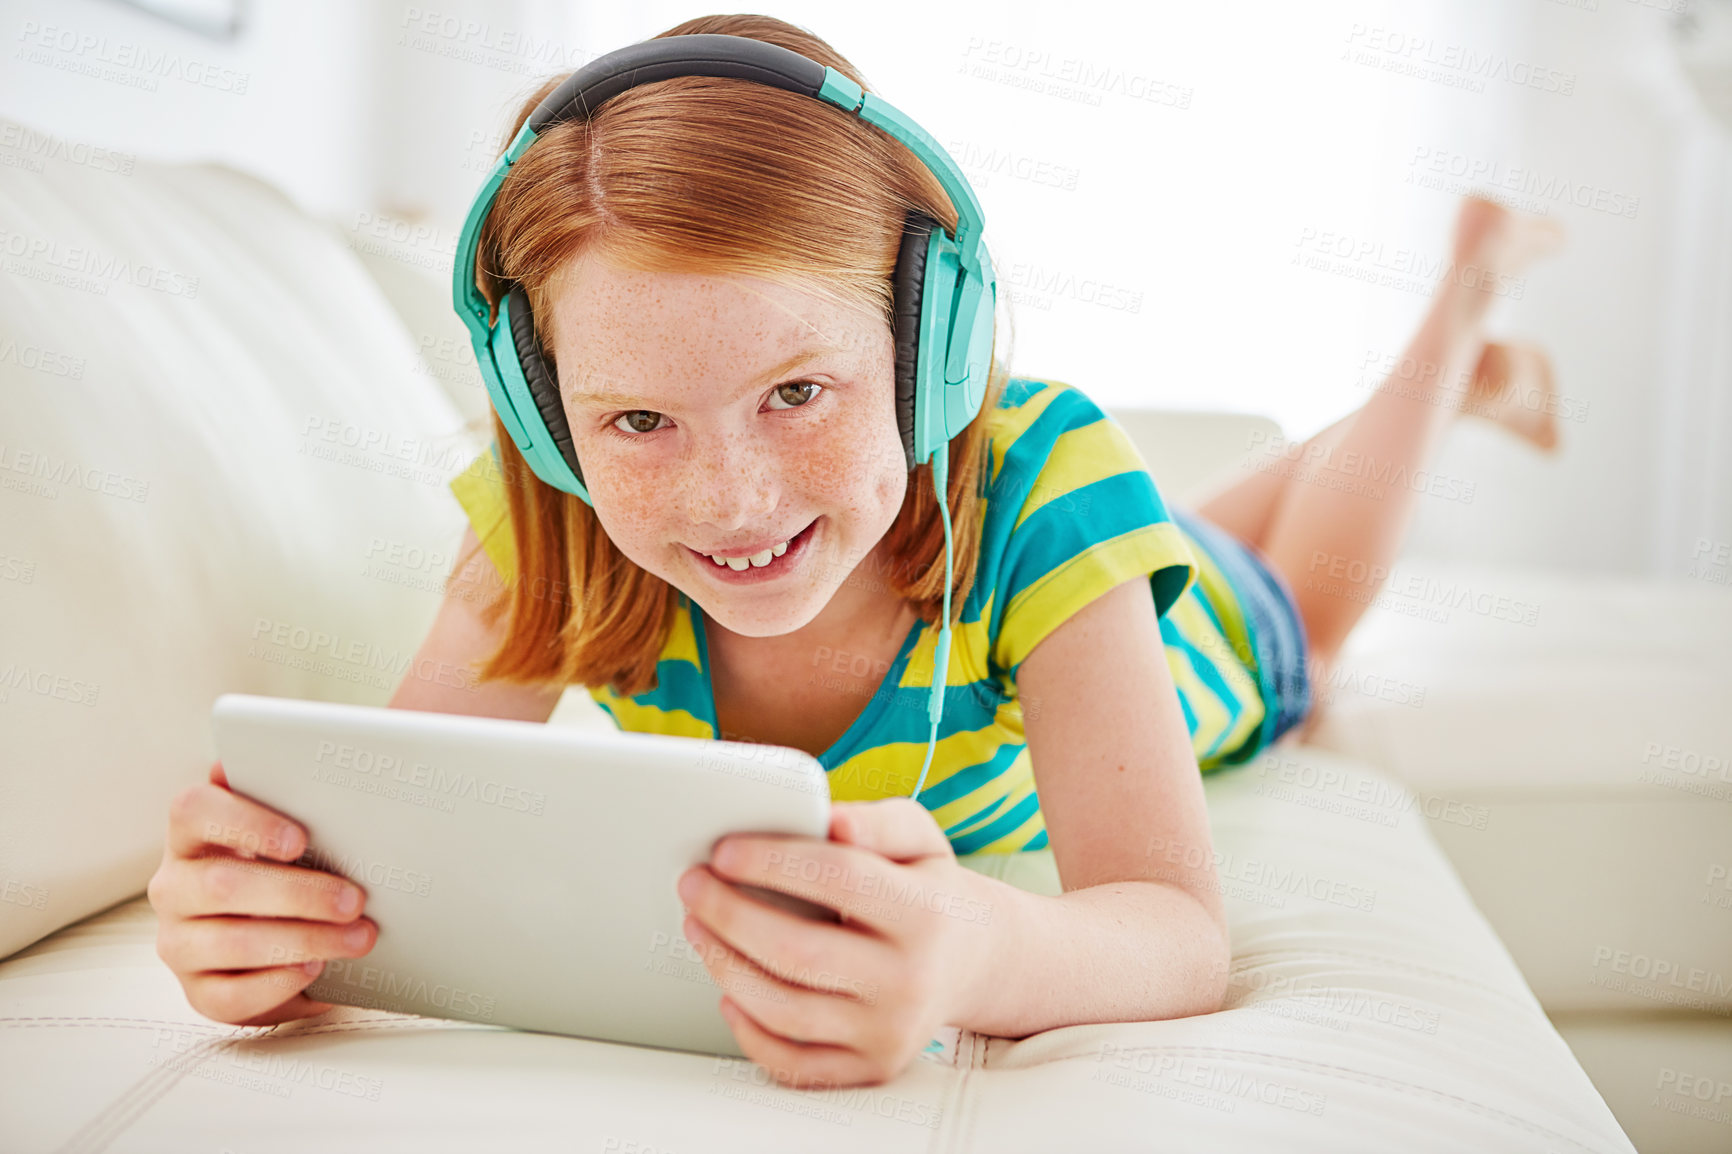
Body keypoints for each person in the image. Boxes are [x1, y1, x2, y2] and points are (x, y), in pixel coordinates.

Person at [147, 13, 1564, 1089]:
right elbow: (394, 838)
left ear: (929, 349)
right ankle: (1453, 375)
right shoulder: (551, 520)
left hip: (1198, 651)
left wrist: (980, 946)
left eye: (800, 392)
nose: (733, 496)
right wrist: (266, 918)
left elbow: (1178, 932)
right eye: (637, 418)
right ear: (544, 412)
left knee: (1300, 608)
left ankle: (1460, 319)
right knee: (1200, 523)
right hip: (1094, 557)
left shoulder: (1046, 487)